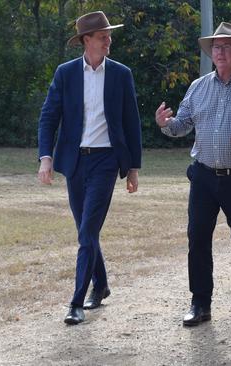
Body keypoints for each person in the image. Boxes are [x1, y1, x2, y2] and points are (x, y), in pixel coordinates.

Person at [155, 22, 231, 326]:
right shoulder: (198, 87)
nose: (220, 52)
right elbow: (182, 125)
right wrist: (165, 124)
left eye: (226, 46)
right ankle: (200, 303)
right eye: (216, 47)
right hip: (203, 177)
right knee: (197, 237)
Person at [37, 11, 142, 325]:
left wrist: (133, 168)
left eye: (109, 35)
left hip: (106, 161)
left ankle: (76, 302)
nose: (108, 41)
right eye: (102, 36)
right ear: (86, 41)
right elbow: (48, 117)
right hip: (74, 161)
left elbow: (131, 123)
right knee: (87, 229)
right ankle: (103, 284)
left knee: (86, 232)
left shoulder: (121, 74)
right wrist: (46, 157)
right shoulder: (66, 73)